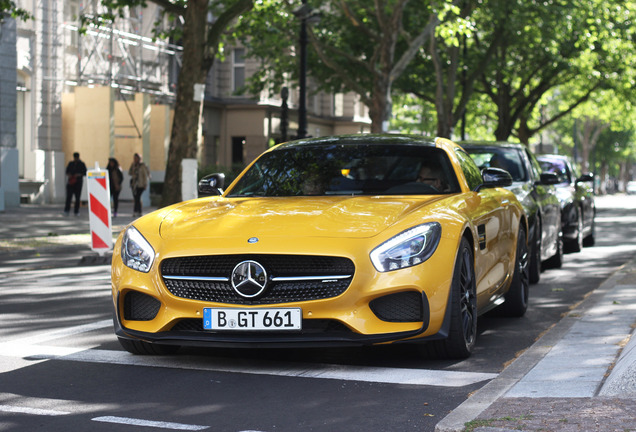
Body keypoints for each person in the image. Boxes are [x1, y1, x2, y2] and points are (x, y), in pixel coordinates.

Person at [63, 152, 87, 216]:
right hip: (71, 182)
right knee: (69, 197)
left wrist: (78, 175)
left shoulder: (82, 164)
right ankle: (67, 210)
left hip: (78, 183)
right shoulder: (71, 164)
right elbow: (67, 171)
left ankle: (76, 211)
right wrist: (70, 175)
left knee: (77, 198)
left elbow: (84, 172)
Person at [129, 153, 150, 217]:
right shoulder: (133, 165)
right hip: (134, 185)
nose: (135, 159)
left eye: (136, 158)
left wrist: (145, 184)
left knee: (137, 198)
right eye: (134, 158)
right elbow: (129, 172)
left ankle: (137, 211)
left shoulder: (143, 165)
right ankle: (137, 211)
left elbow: (145, 175)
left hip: (140, 185)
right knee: (136, 198)